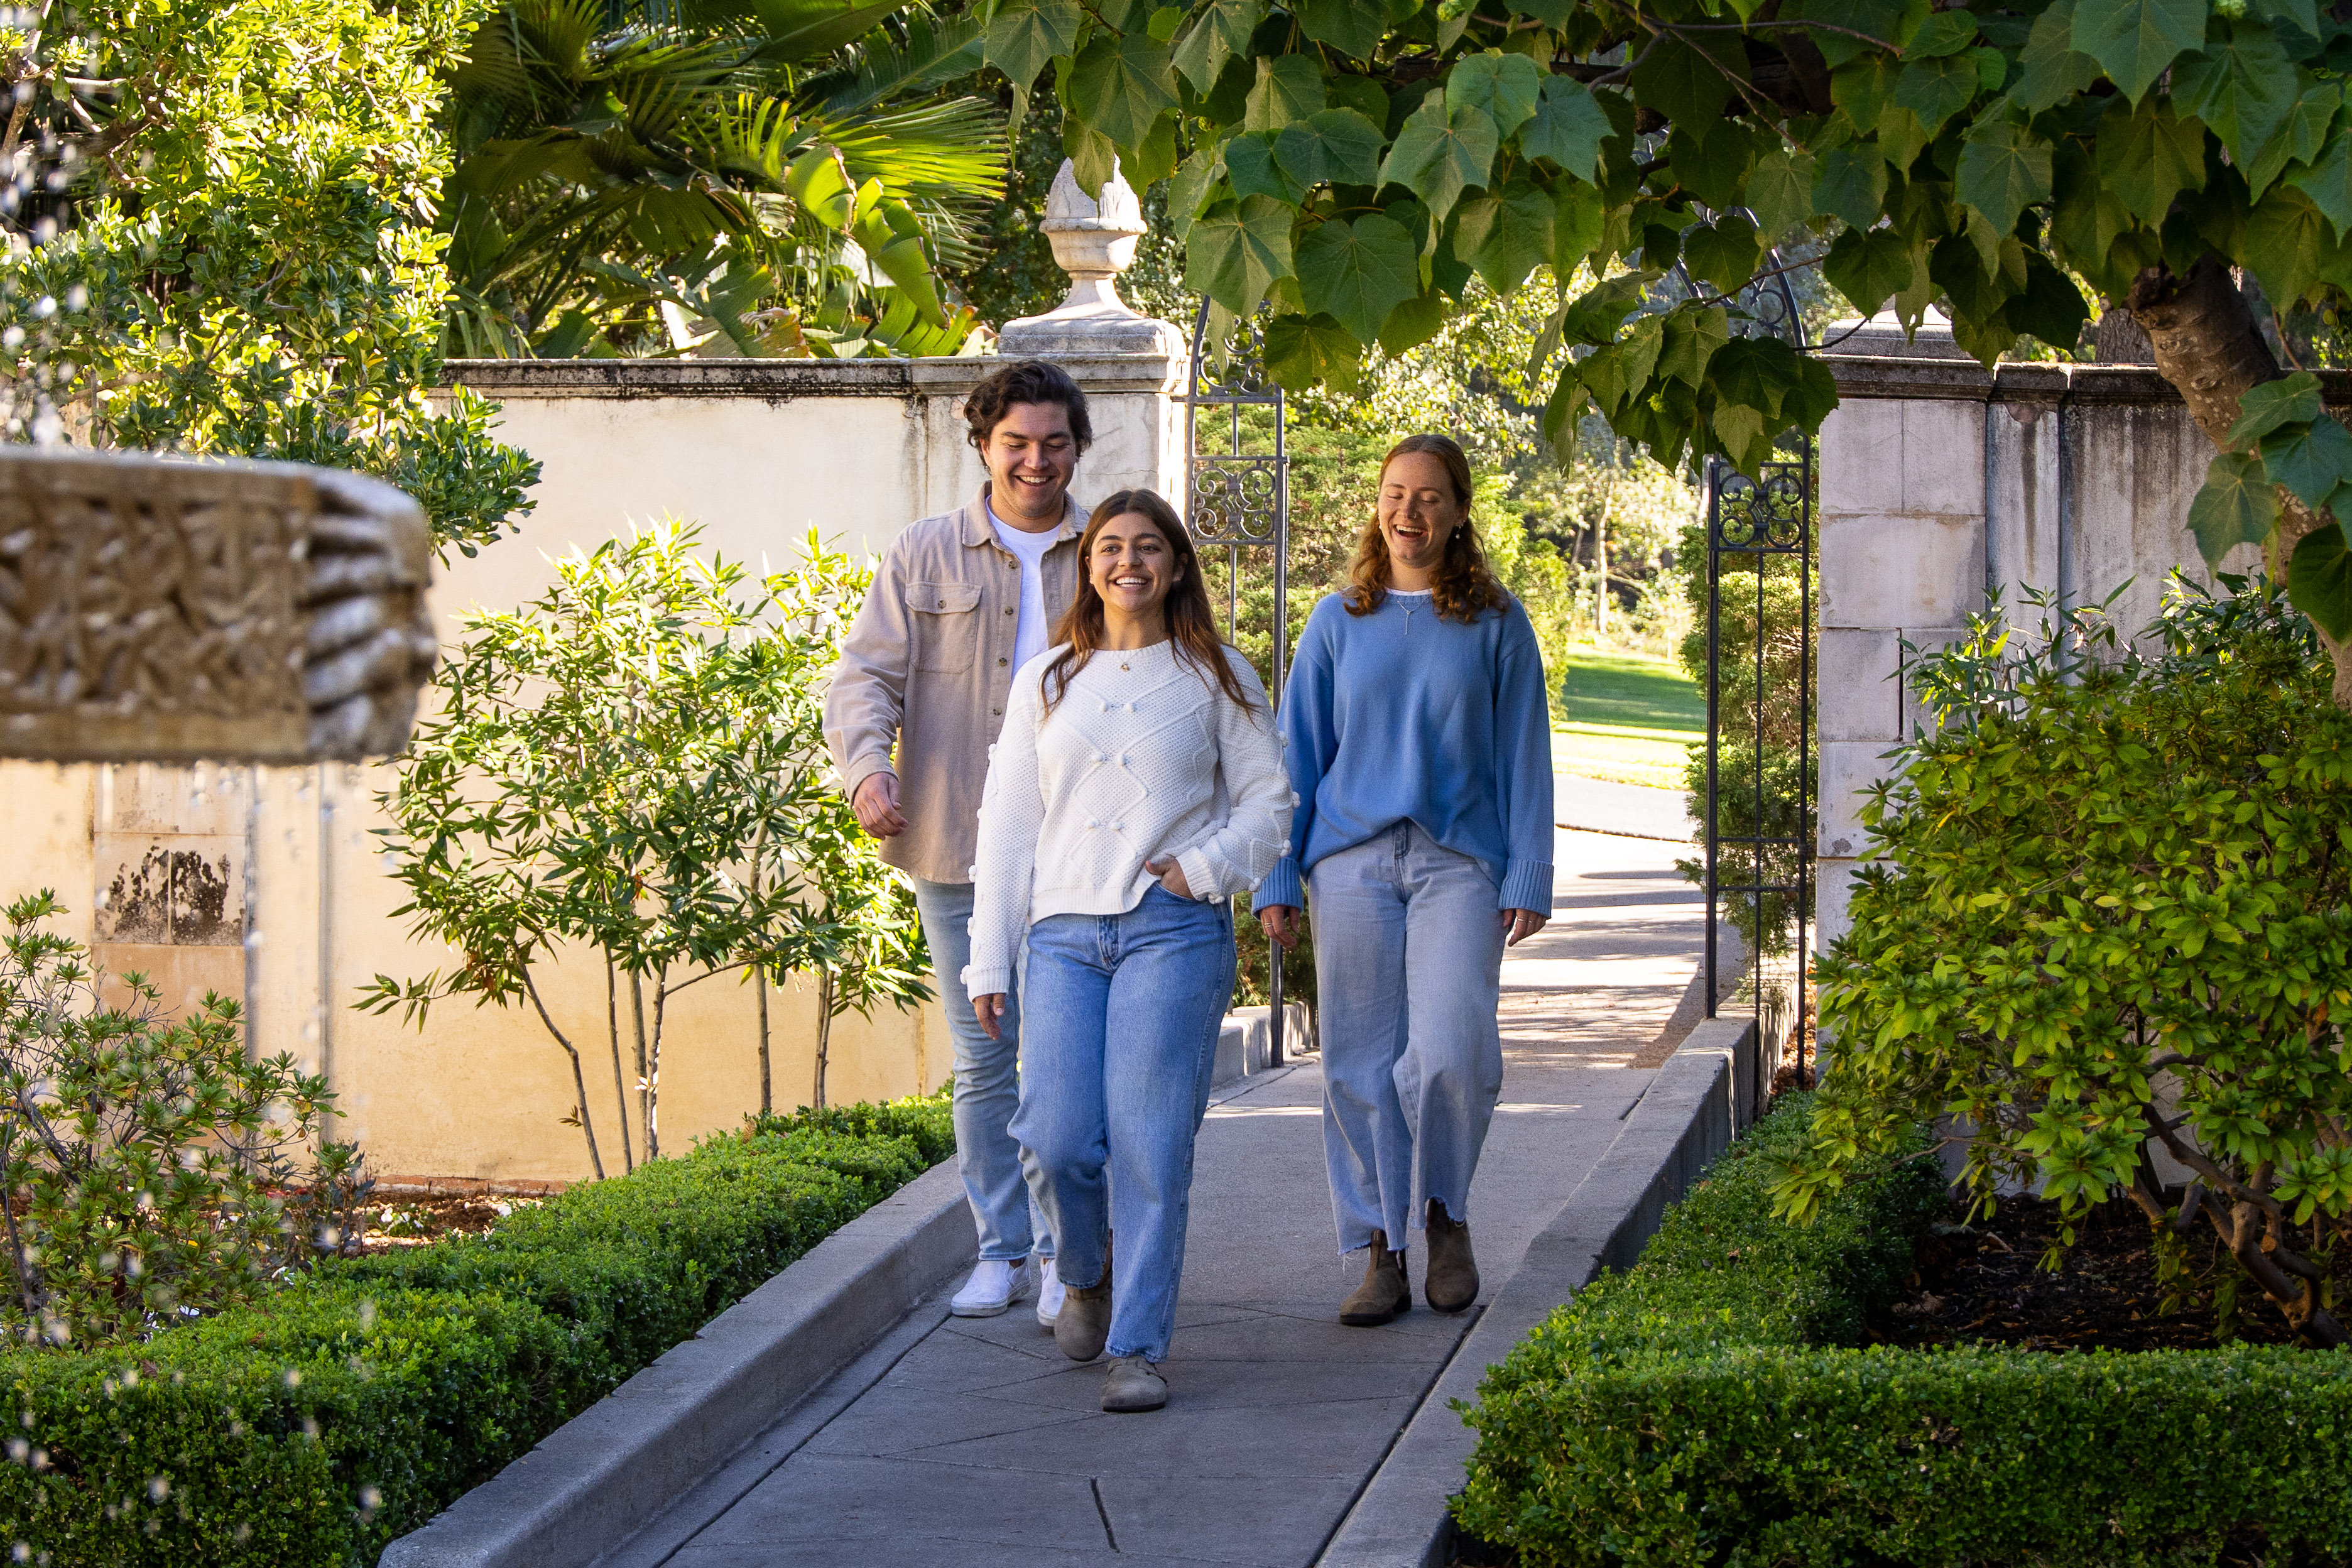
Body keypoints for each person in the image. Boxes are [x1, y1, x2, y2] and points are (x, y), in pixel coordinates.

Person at [965, 488, 1290, 1413]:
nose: (1129, 562)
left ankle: (1137, 1346)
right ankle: (1084, 1267)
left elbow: (1271, 804)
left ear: (1176, 565)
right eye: (1111, 546)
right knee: (1059, 1138)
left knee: (1151, 1146)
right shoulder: (1048, 680)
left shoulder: (1218, 676)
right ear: (1089, 564)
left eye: (1149, 547)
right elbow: (1007, 829)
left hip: (1171, 931)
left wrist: (1202, 866)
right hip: (1062, 936)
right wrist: (990, 959)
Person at [1253, 433, 1554, 1327]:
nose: (1408, 512)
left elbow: (1523, 757)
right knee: (1358, 1063)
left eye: (1428, 497)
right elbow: (1293, 755)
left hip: (1458, 864)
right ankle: (1378, 1245)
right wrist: (1275, 872)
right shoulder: (1337, 619)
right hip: (1349, 864)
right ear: (1376, 506)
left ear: (1459, 511)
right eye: (1393, 494)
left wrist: (1529, 871)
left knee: (1457, 1050)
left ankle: (1445, 1213)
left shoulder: (1495, 620)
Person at [824, 359, 1094, 1326]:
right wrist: (866, 769)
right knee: (985, 1056)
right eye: (1016, 442)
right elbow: (864, 678)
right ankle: (1002, 1250)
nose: (1035, 461)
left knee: (1064, 1061)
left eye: (1054, 443)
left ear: (1076, 450)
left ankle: (1074, 1257)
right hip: (956, 840)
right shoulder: (926, 553)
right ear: (982, 444)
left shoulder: (1108, 550)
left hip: (1080, 848)